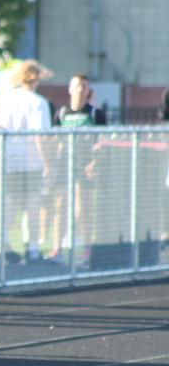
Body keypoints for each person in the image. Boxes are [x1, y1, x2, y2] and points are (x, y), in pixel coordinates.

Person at [0, 59, 52, 264]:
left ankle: (2, 243)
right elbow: (39, 136)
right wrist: (47, 163)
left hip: (8, 161)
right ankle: (32, 249)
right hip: (31, 163)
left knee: (7, 205)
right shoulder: (38, 103)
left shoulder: (6, 101)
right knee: (32, 205)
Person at [53, 74, 107, 263]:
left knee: (83, 209)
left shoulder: (94, 113)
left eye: (83, 87)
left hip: (85, 167)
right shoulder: (61, 113)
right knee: (60, 208)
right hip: (64, 165)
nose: (80, 89)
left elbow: (103, 141)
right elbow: (55, 141)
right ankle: (56, 249)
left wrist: (95, 161)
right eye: (76, 86)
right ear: (69, 89)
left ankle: (86, 250)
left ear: (87, 91)